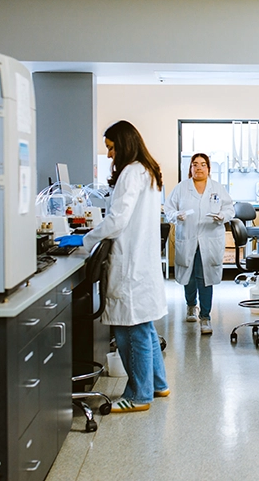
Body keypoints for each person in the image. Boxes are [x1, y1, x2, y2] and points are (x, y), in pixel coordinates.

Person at [55, 120, 168, 413]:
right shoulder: (147, 170)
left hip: (131, 263)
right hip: (141, 261)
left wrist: (84, 238)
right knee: (144, 325)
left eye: (111, 148)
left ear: (124, 144)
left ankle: (140, 395)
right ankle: (157, 383)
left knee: (132, 329)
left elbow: (117, 221)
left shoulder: (131, 172)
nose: (109, 155)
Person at [166, 153, 235, 335]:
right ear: (190, 168)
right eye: (195, 164)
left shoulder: (217, 188)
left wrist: (223, 216)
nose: (198, 168)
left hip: (209, 239)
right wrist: (175, 215)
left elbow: (230, 208)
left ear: (208, 168)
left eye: (203, 164)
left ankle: (205, 317)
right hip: (188, 238)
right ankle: (191, 306)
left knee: (204, 278)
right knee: (188, 277)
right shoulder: (181, 188)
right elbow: (168, 208)